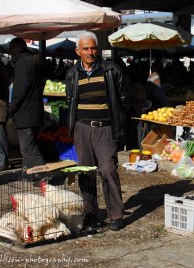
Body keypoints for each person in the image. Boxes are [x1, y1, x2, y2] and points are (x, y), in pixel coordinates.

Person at [66, 31, 129, 231]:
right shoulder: (72, 74)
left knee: (108, 170)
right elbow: (70, 101)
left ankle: (116, 215)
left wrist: (119, 126)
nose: (90, 52)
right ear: (78, 51)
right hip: (82, 129)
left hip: (105, 129)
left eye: (93, 48)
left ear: (98, 49)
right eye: (86, 48)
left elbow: (124, 100)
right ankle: (91, 215)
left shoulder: (111, 70)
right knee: (85, 172)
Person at [8, 37, 46, 170]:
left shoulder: (22, 63)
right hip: (34, 111)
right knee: (29, 146)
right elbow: (42, 83)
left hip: (26, 114)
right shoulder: (32, 61)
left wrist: (11, 109)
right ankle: (28, 173)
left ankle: (41, 175)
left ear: (14, 49)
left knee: (28, 148)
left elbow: (19, 91)